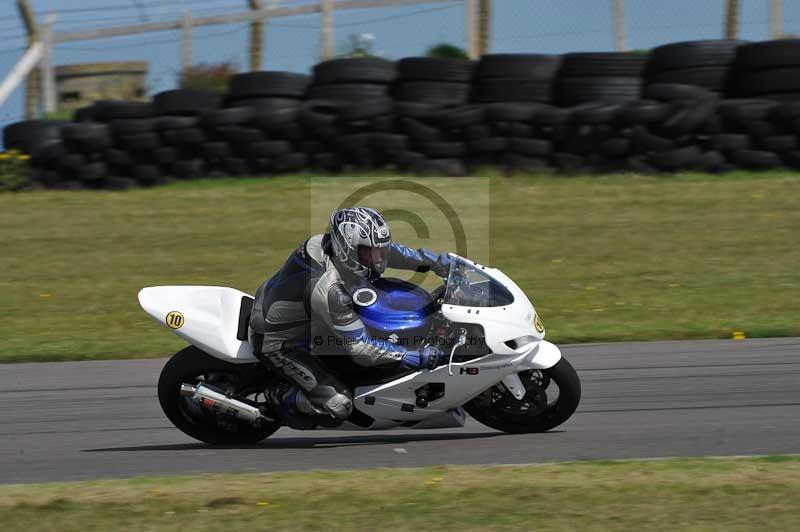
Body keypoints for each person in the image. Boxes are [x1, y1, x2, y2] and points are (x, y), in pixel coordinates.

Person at [249, 206, 451, 428]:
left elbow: (388, 252)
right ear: (347, 249)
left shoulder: (325, 243)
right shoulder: (330, 289)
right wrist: (409, 355)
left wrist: (430, 262)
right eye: (370, 253)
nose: (378, 259)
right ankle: (277, 397)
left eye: (378, 251)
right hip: (279, 343)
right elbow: (361, 349)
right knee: (338, 405)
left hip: (291, 310)